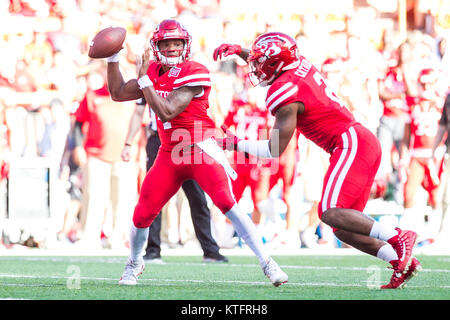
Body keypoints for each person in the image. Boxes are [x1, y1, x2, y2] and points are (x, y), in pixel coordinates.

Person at [213, 32, 421, 289]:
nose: (255, 67)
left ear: (274, 63)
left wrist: (236, 144)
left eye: (259, 62)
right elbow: (273, 59)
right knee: (342, 227)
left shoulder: (284, 92)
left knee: (329, 212)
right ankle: (401, 261)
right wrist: (241, 51)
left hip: (350, 143)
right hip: (358, 141)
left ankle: (398, 237)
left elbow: (274, 148)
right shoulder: (297, 63)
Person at [105, 19, 287, 286]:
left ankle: (268, 263)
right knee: (142, 213)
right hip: (169, 152)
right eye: (166, 44)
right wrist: (112, 58)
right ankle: (133, 263)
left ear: (185, 45)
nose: (172, 48)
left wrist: (144, 80)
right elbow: (118, 93)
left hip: (199, 148)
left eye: (177, 43)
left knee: (228, 204)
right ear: (157, 47)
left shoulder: (195, 70)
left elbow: (167, 110)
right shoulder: (153, 70)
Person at [122, 99, 228, 263]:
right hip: (159, 139)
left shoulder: (181, 76)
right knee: (153, 197)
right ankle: (152, 249)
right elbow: (137, 111)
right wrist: (128, 143)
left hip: (184, 140)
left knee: (197, 196)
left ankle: (210, 250)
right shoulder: (147, 79)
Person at [73, 68, 144, 249]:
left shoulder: (134, 97)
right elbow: (79, 122)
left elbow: (143, 125)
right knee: (94, 197)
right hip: (97, 155)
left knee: (124, 199)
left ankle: (118, 238)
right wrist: (79, 147)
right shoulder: (92, 96)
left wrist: (142, 151)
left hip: (126, 156)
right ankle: (89, 237)